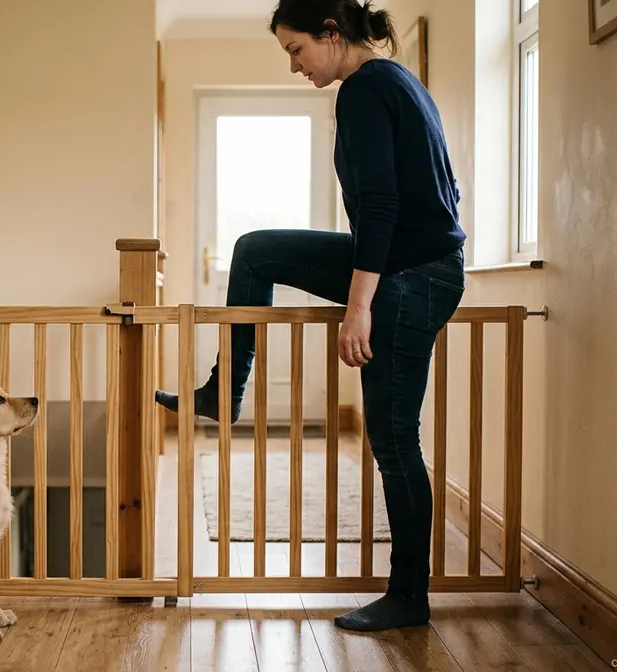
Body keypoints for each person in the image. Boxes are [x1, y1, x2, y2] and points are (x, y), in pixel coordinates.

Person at [154, 0, 467, 632]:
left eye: (297, 50)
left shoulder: (368, 86)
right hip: (413, 263)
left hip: (413, 276)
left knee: (392, 438)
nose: (295, 67)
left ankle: (408, 596)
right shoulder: (393, 82)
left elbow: (380, 205)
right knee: (255, 251)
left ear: (332, 32)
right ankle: (223, 392)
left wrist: (359, 310)